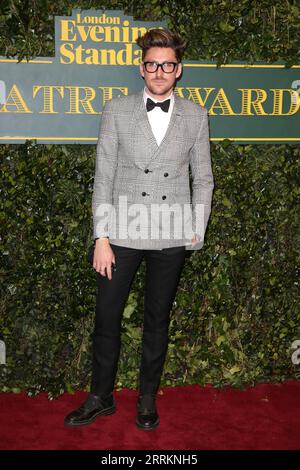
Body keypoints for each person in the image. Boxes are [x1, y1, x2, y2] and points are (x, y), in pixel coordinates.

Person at [64, 28, 214, 431]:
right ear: (141, 68)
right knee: (107, 317)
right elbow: (104, 176)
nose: (159, 71)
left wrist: (195, 226)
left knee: (156, 320)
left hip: (170, 234)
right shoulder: (116, 110)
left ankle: (146, 398)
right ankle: (101, 396)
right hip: (123, 233)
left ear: (178, 70)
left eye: (167, 64)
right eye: (152, 64)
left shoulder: (197, 116)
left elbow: (204, 178)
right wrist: (102, 236)